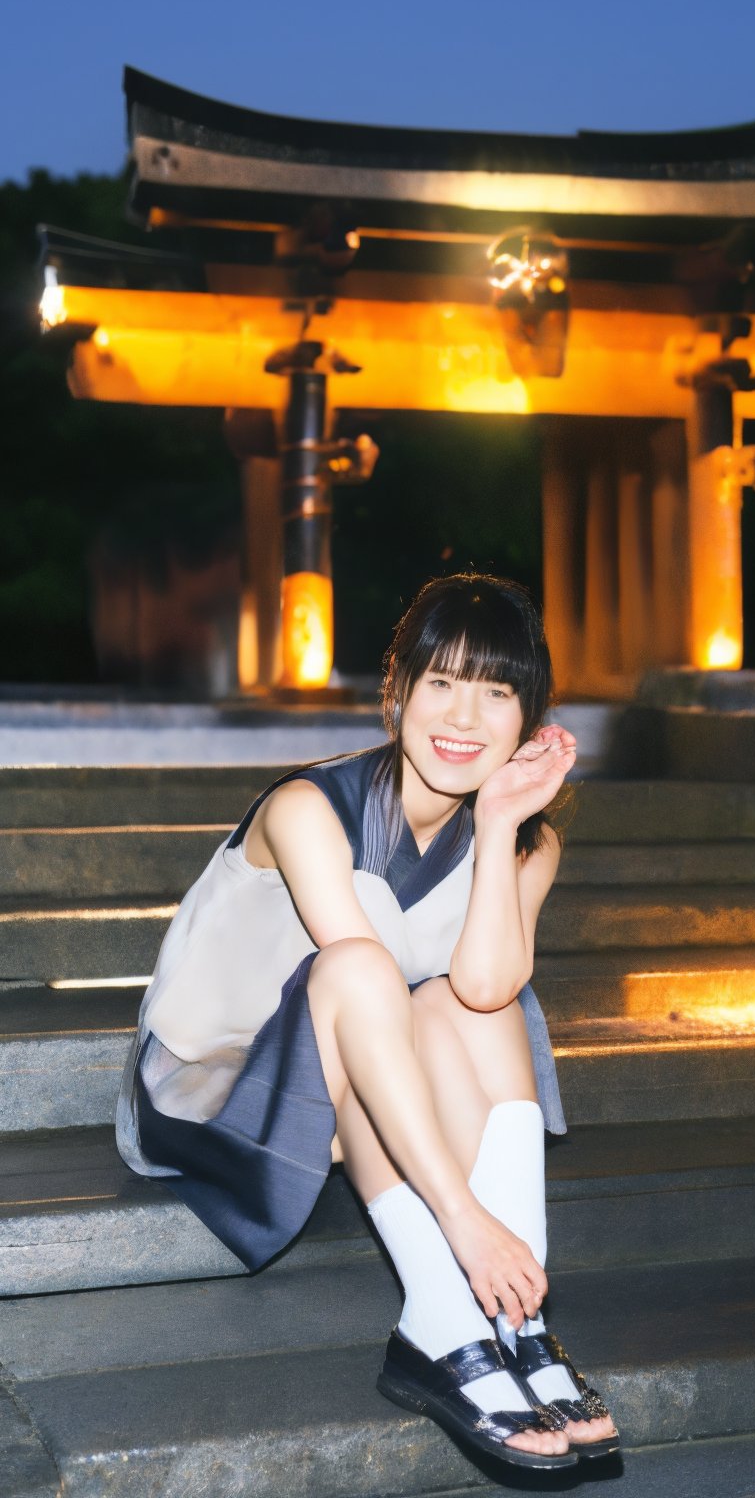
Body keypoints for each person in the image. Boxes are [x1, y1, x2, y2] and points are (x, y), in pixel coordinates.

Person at [116, 571, 618, 1471]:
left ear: (530, 720)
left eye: (496, 692)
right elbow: (353, 991)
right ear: (396, 694)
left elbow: (487, 986)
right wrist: (463, 1214)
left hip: (363, 1072)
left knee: (477, 997)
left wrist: (501, 825)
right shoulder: (310, 808)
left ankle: (516, 1321)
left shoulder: (529, 837)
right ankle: (445, 1307)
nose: (464, 717)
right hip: (212, 1088)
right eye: (441, 684)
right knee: (361, 969)